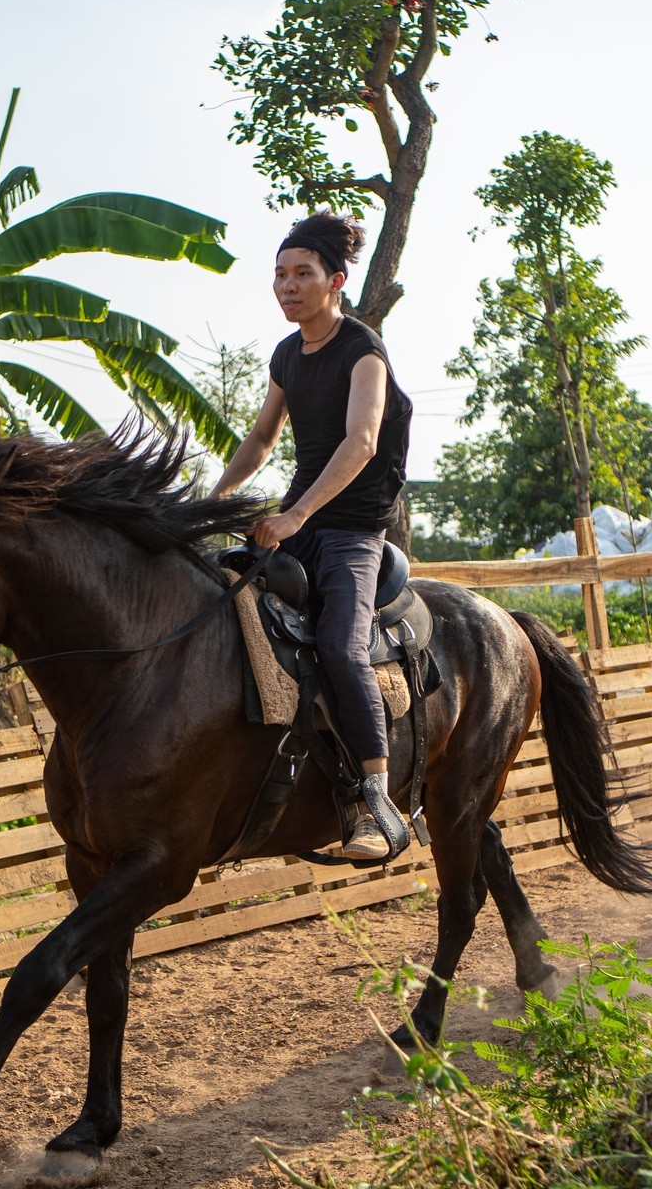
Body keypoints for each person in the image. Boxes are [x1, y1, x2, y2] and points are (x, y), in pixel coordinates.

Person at [213, 211, 415, 860]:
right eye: (279, 275)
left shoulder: (363, 352)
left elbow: (361, 442)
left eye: (301, 274)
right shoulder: (285, 355)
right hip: (299, 521)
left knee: (339, 645)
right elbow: (262, 438)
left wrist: (297, 516)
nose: (286, 286)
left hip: (352, 530)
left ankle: (376, 800)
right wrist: (212, 501)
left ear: (336, 280)